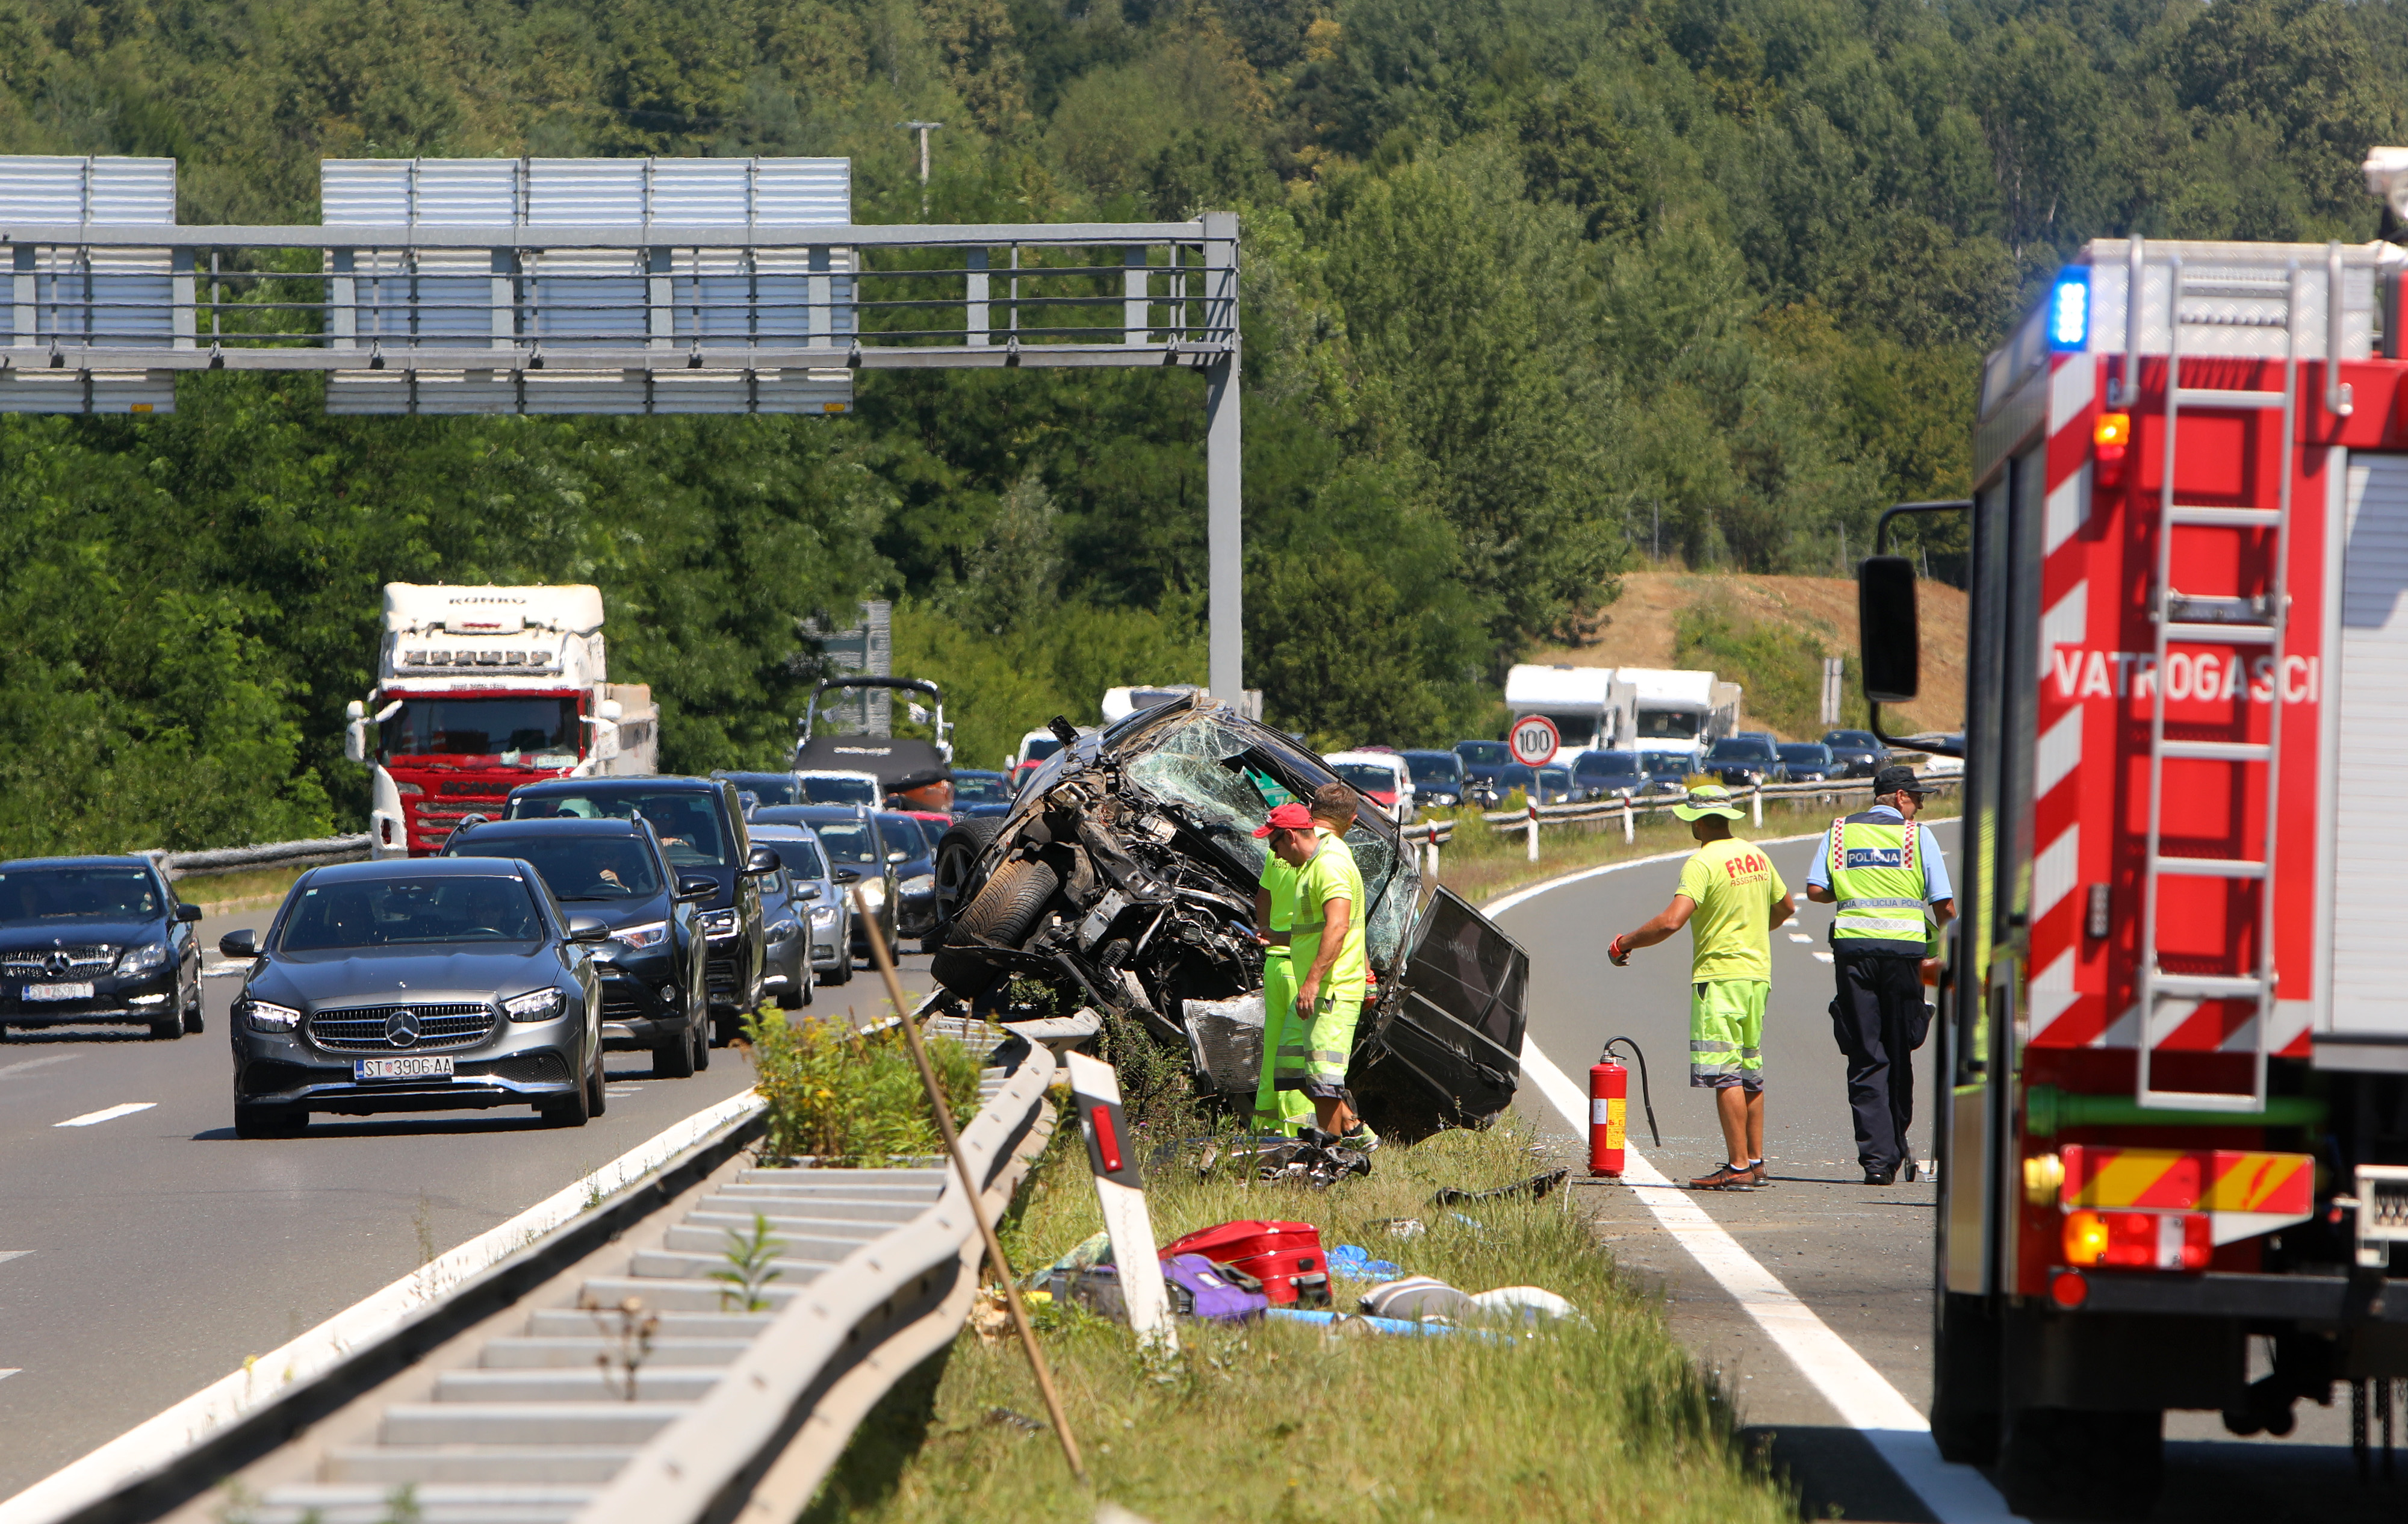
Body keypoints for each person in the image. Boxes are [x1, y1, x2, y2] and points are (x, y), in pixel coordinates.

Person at [1607, 783, 1793, 1190]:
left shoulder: (1702, 862)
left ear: (1696, 822)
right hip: (1758, 976)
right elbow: (1786, 907)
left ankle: (1738, 1166)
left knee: (1725, 1073)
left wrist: (1625, 942)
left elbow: (1672, 920)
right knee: (1751, 1071)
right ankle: (1757, 1162)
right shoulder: (1755, 856)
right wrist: (1753, 930)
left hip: (1719, 978)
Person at [1805, 764, 1956, 1186]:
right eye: (1918, 800)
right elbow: (1943, 903)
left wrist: (1854, 887)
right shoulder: (1916, 836)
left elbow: (1816, 889)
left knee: (1866, 1053)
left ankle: (1877, 1160)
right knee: (1898, 1047)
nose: (1920, 808)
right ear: (1901, 797)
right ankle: (1897, 1143)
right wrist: (1957, 947)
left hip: (1854, 954)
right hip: (1904, 956)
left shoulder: (1839, 832)